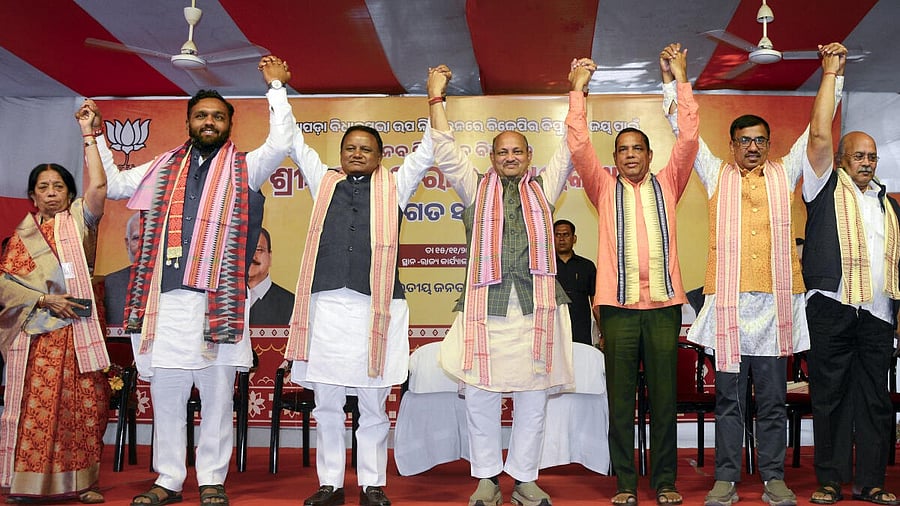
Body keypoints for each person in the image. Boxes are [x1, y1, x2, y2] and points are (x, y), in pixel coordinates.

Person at [98, 56, 293, 506]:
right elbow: (111, 184)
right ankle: (167, 479)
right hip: (164, 304)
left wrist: (277, 88)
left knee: (218, 398)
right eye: (202, 115)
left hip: (218, 302)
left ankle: (211, 478)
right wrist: (93, 135)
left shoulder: (247, 168)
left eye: (218, 117)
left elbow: (281, 141)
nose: (209, 122)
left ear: (229, 124)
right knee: (166, 396)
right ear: (188, 121)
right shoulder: (161, 168)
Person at [674, 43, 846, 506]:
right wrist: (678, 80)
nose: (752, 147)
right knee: (729, 401)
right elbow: (686, 135)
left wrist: (831, 76)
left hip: (774, 311)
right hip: (729, 309)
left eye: (759, 141)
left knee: (772, 402)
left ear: (768, 145)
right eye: (744, 141)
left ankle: (773, 477)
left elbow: (817, 134)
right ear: (731, 145)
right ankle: (726, 478)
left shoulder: (785, 171)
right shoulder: (715, 174)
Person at [283, 78, 435, 506]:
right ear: (341, 153)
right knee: (327, 404)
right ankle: (329, 483)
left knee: (372, 406)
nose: (356, 153)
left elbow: (427, 151)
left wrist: (435, 97)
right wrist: (278, 88)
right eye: (350, 147)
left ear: (380, 157)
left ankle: (372, 484)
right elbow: (294, 141)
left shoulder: (396, 187)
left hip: (378, 309)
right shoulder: (322, 182)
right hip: (327, 307)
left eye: (366, 148)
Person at [429, 64, 575, 506]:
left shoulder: (545, 191)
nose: (510, 158)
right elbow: (445, 151)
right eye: (501, 152)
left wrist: (576, 92)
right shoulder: (474, 189)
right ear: (491, 158)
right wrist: (437, 97)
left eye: (517, 152)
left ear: (529, 155)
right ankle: (487, 479)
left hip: (537, 306)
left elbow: (571, 146)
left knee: (533, 399)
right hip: (485, 306)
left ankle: (525, 479)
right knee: (479, 396)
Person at [566, 46, 699, 506]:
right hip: (618, 311)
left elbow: (688, 139)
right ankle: (625, 482)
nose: (628, 156)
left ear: (648, 154)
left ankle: (664, 481)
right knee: (621, 403)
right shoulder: (601, 186)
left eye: (636, 149)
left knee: (664, 402)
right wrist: (578, 92)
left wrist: (680, 79)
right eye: (621, 150)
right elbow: (580, 145)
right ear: (615, 157)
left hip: (663, 309)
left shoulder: (669, 182)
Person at [802, 44, 899, 506]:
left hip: (877, 314)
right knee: (832, 398)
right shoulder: (823, 186)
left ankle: (872, 482)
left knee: (876, 403)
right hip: (833, 309)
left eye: (872, 156)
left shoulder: (888, 205)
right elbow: (820, 135)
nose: (866, 161)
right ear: (841, 160)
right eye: (858, 155)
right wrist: (830, 76)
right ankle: (830, 481)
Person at [0, 101, 110, 503]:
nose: (50, 193)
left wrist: (89, 134)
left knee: (80, 411)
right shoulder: (20, 238)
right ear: (32, 195)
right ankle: (22, 485)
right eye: (43, 187)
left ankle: (83, 484)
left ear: (69, 194)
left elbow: (99, 186)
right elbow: (4, 287)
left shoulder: (81, 221)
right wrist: (45, 299)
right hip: (35, 341)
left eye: (58, 187)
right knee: (35, 413)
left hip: (77, 337)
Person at [553, 219, 598, 346]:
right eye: (557, 235)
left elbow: (595, 302)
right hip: (554, 327)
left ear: (574, 238)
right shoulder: (545, 267)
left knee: (581, 363)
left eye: (566, 234)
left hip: (581, 328)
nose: (562, 239)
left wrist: (603, 331)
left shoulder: (587, 266)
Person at [248, 227, 295, 326]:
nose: (252, 256)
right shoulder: (222, 302)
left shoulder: (292, 305)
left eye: (258, 250)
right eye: (245, 249)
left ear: (270, 257)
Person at [103, 212, 141, 326]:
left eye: (149, 237)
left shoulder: (173, 284)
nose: (143, 244)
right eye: (136, 238)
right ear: (127, 243)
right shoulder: (110, 284)